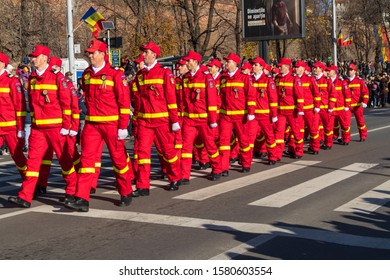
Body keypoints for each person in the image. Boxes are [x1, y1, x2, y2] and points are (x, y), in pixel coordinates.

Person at [65, 40, 133, 212]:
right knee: (87, 160)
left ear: (103, 54)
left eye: (93, 53)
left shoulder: (116, 75)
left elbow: (124, 102)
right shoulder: (87, 74)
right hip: (92, 124)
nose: (90, 55)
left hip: (111, 124)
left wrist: (123, 126)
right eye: (88, 53)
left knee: (118, 160)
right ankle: (82, 198)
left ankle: (125, 191)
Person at [8, 45, 77, 208]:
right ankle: (25, 196)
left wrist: (66, 126)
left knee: (64, 160)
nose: (32, 59)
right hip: (38, 129)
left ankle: (72, 192)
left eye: (35, 57)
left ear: (44, 58)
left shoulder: (57, 77)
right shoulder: (32, 79)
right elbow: (32, 105)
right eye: (32, 57)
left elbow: (66, 103)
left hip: (56, 128)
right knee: (32, 163)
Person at [132, 41, 181, 196]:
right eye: (143, 52)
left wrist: (174, 121)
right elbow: (138, 101)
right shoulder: (140, 76)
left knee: (167, 151)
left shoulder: (165, 73)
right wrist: (137, 120)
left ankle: (175, 177)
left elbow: (171, 100)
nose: (143, 55)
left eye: (146, 53)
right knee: (142, 153)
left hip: (162, 122)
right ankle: (142, 185)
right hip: (145, 122)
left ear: (154, 55)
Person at [179, 51, 222, 184]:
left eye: (189, 61)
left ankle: (217, 168)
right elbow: (182, 100)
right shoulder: (185, 78)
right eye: (186, 61)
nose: (187, 63)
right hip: (189, 120)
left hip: (203, 119)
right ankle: (184, 175)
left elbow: (212, 100)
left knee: (210, 145)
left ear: (196, 62)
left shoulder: (206, 78)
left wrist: (213, 120)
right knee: (186, 148)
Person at [218, 52, 256, 175]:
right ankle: (224, 167)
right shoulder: (223, 79)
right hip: (225, 116)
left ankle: (246, 163)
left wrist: (250, 112)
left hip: (240, 116)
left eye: (228, 62)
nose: (226, 64)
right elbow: (220, 98)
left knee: (244, 141)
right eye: (226, 62)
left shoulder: (245, 78)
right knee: (224, 142)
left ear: (235, 63)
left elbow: (251, 96)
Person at [0, 52, 27, 177]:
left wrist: (20, 128)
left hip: (10, 127)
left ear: (3, 64)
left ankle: (29, 180)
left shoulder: (12, 80)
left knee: (17, 156)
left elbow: (20, 106)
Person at [249, 56, 279, 165]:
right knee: (250, 137)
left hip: (265, 115)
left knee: (269, 136)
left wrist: (274, 114)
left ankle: (273, 156)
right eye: (253, 65)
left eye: (255, 65)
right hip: (253, 115)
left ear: (261, 67)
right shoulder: (249, 79)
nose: (253, 66)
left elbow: (273, 98)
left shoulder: (268, 80)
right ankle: (247, 159)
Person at [274, 57, 304, 160]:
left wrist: (300, 110)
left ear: (287, 67)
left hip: (292, 111)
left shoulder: (294, 79)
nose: (279, 68)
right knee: (279, 133)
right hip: (280, 111)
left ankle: (299, 150)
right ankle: (277, 154)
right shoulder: (277, 78)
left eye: (281, 66)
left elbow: (299, 96)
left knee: (296, 132)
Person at [294, 60, 321, 154]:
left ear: (302, 68)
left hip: (309, 109)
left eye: (297, 67)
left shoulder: (310, 79)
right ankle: (298, 150)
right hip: (298, 110)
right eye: (295, 67)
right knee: (298, 131)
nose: (295, 69)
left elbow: (316, 93)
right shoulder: (294, 79)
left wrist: (317, 106)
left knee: (313, 129)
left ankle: (315, 147)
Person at [326, 64, 351, 145]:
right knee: (330, 126)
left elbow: (347, 95)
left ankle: (346, 139)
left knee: (344, 125)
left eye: (329, 71)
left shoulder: (342, 82)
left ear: (334, 72)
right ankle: (332, 139)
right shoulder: (326, 81)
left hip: (340, 108)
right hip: (331, 108)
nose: (328, 72)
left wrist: (347, 106)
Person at [346, 63, 369, 142]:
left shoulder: (360, 81)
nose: (350, 71)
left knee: (360, 122)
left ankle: (363, 135)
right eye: (349, 70)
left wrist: (365, 102)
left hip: (357, 105)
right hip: (348, 106)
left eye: (351, 70)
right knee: (346, 123)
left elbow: (365, 92)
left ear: (355, 71)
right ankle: (346, 138)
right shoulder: (345, 81)